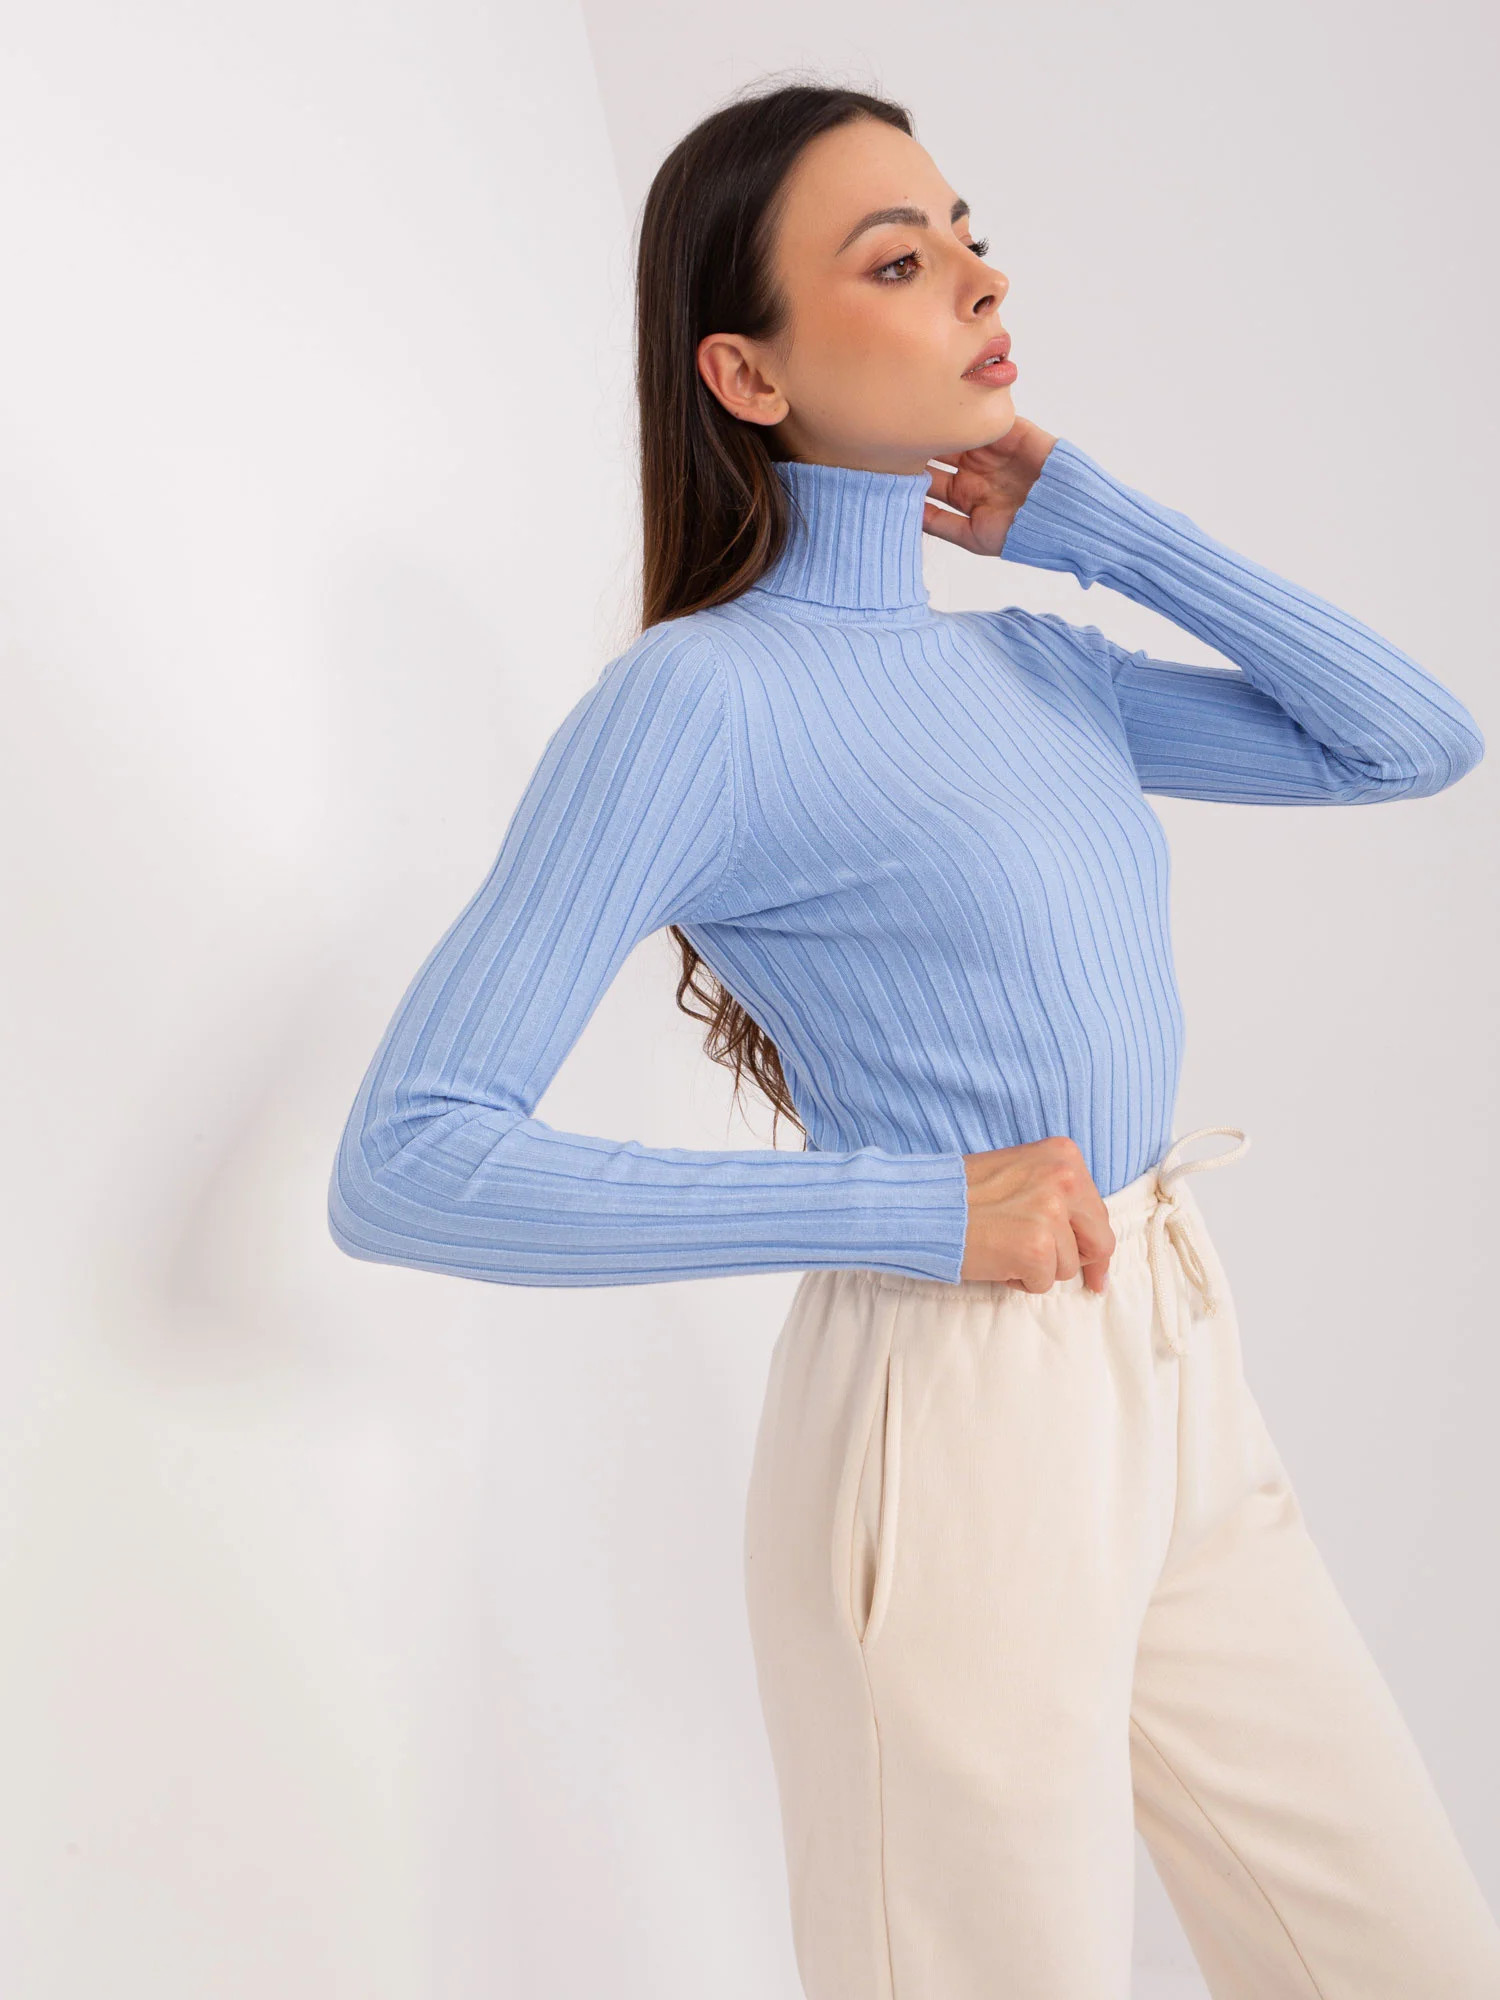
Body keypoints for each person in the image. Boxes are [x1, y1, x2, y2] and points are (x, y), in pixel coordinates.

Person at [327, 79, 1500, 2000]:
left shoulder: (1028, 660)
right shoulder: (698, 706)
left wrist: (1100, 527)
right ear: (747, 373)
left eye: (970, 234)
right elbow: (410, 1159)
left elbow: (1412, 742)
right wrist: (923, 1210)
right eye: (896, 259)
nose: (978, 277)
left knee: (1407, 1955)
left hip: (1174, 1358)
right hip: (955, 1421)